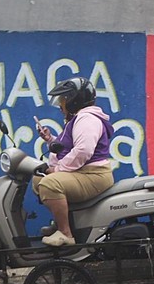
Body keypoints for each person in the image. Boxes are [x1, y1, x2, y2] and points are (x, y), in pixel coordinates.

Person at [33, 76, 114, 247]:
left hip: (93, 175)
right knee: (38, 179)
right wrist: (50, 140)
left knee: (49, 184)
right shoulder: (78, 118)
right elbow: (69, 148)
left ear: (74, 100)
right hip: (83, 173)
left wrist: (57, 170)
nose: (60, 105)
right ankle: (64, 221)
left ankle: (65, 233)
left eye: (63, 100)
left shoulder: (87, 119)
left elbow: (83, 151)